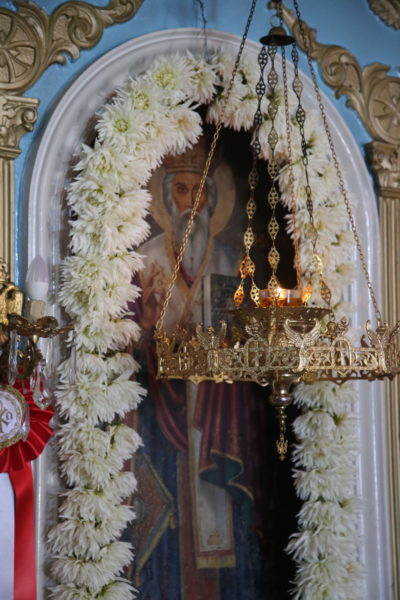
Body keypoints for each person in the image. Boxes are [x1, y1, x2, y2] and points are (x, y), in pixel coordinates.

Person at [132, 136, 264, 599]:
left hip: (220, 420)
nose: (191, 202)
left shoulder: (232, 263)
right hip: (161, 419)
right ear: (168, 198)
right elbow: (121, 349)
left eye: (200, 190)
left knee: (224, 514)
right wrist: (146, 326)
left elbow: (249, 346)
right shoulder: (144, 261)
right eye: (182, 190)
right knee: (171, 514)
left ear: (212, 199)